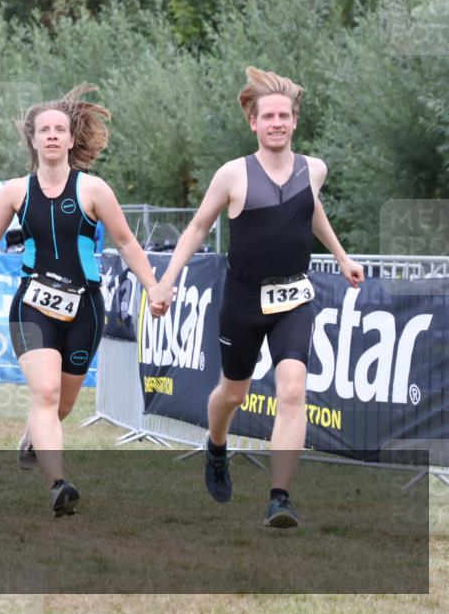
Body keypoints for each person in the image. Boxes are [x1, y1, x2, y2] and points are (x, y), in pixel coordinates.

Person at [147, 67, 365, 528]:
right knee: (233, 393)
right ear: (253, 122)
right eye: (268, 116)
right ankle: (217, 446)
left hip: (294, 297)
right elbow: (198, 227)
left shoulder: (314, 169)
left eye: (284, 116)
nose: (277, 123)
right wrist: (166, 280)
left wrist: (342, 257)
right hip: (243, 299)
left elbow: (311, 210)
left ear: (294, 120)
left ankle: (279, 498)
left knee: (292, 390)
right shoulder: (233, 174)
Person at [0, 85, 159, 516]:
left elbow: (127, 244)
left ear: (71, 140)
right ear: (33, 140)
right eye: (44, 130)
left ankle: (33, 438)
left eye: (59, 129)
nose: (52, 136)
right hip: (31, 306)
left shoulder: (94, 190)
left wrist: (154, 286)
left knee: (63, 404)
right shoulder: (16, 191)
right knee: (46, 392)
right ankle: (58, 484)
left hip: (85, 308)